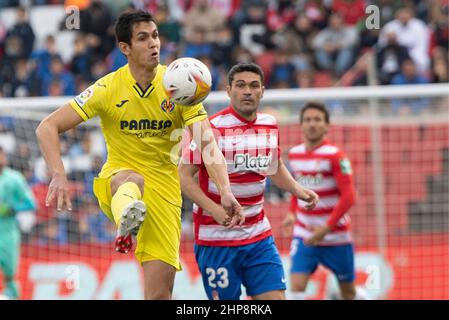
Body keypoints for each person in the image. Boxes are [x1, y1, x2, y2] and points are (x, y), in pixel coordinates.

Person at [35, 9, 242, 300]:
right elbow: (48, 126)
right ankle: (126, 222)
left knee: (159, 295)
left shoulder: (179, 85)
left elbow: (208, 146)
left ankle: (129, 223)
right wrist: (58, 173)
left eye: (155, 36)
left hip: (165, 194)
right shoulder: (107, 88)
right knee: (132, 180)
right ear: (125, 48)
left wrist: (226, 191)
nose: (153, 43)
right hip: (119, 181)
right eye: (143, 38)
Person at [179, 63, 319, 300]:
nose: (247, 91)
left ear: (262, 91)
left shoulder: (269, 124)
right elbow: (182, 175)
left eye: (254, 86)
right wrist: (213, 209)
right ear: (229, 90)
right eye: (241, 85)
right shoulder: (211, 128)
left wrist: (298, 190)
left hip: (258, 237)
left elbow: (273, 166)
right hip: (217, 241)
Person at [282, 102, 366, 300]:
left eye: (317, 120)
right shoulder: (294, 154)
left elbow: (349, 196)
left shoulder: (336, 156)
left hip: (335, 236)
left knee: (348, 293)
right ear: (301, 125)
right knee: (295, 288)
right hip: (304, 233)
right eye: (308, 120)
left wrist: (325, 229)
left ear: (327, 125)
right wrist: (292, 213)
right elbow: (297, 189)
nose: (312, 124)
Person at [0, 146, 37, 299]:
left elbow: (31, 203)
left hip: (7, 233)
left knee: (10, 276)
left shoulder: (14, 178)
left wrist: (11, 209)